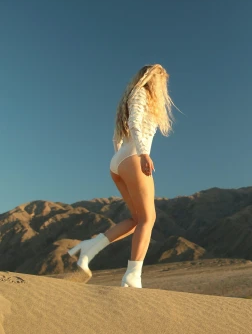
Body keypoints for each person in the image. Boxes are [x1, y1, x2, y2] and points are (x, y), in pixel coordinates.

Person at [67, 63, 178, 287]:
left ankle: (89, 249)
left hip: (120, 160)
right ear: (150, 78)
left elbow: (118, 137)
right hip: (133, 157)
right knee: (149, 219)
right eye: (160, 79)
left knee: (137, 221)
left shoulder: (133, 96)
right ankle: (132, 276)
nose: (162, 85)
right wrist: (144, 154)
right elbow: (134, 124)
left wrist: (121, 158)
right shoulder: (141, 93)